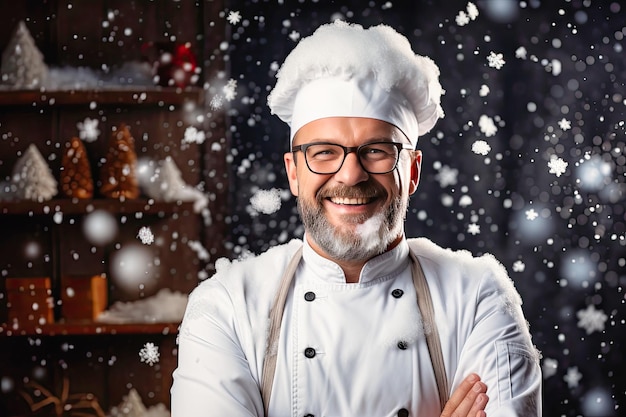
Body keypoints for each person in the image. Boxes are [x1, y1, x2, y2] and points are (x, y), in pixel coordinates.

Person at [171, 21, 542, 417]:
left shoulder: (479, 299)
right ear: (294, 173)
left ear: (412, 171)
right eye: (324, 152)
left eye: (377, 150)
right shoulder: (226, 306)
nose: (351, 175)